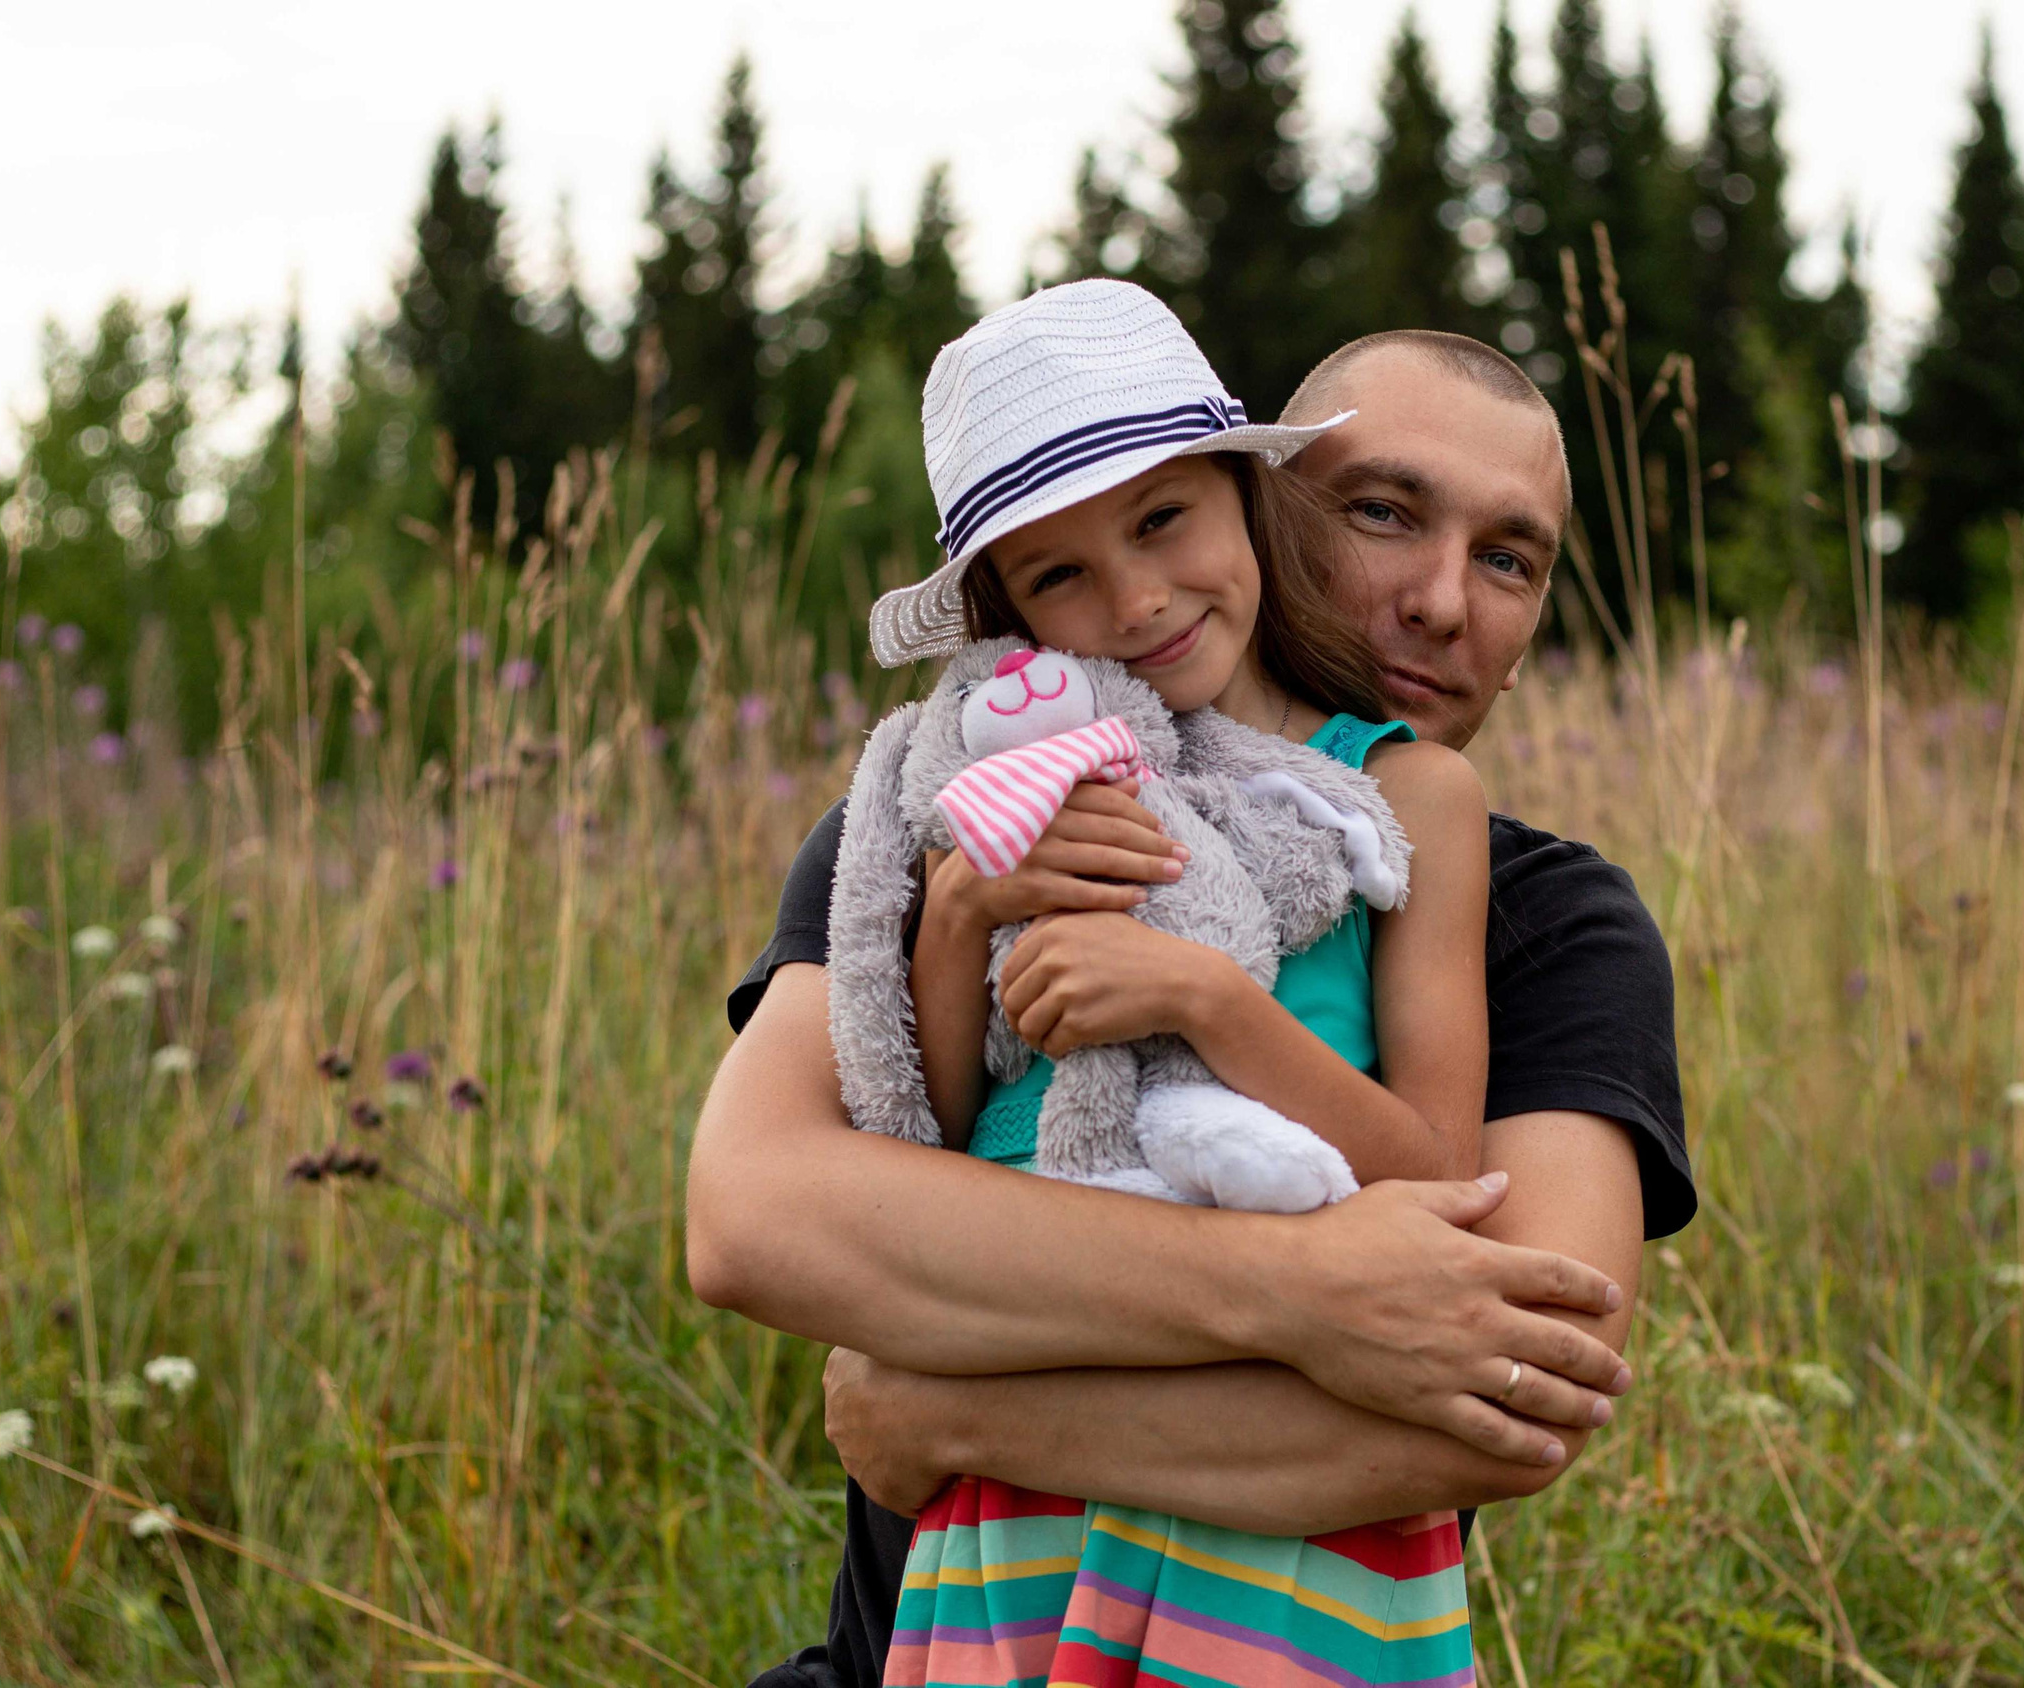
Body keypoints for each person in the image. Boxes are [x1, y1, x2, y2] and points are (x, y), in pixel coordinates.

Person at [687, 323, 1694, 1688]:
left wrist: (938, 1405)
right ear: (1274, 514)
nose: (1445, 599)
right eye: (1385, 512)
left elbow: (1514, 1388)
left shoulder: (1556, 923)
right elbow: (760, 1219)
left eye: (1508, 558)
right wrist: (1308, 1294)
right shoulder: (967, 819)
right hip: (945, 1638)